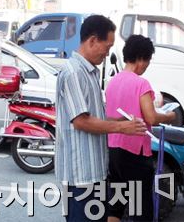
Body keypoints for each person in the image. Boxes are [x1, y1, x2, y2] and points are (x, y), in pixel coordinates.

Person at [55, 15, 147, 221]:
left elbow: (94, 116)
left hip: (95, 170)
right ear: (92, 40)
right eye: (107, 47)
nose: (107, 54)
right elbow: (81, 121)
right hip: (80, 175)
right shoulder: (73, 72)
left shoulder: (90, 72)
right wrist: (122, 129)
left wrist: (120, 122)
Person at [105, 35, 176, 222]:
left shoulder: (113, 82)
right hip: (135, 152)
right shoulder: (141, 83)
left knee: (116, 204)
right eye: (148, 61)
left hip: (113, 149)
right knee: (140, 208)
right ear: (141, 58)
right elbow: (151, 117)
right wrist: (168, 116)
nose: (147, 65)